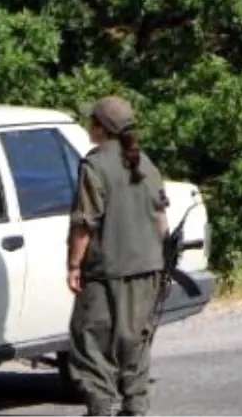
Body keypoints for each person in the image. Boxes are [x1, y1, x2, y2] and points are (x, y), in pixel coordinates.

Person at [65, 95, 169, 417]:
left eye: (91, 122)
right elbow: (162, 222)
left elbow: (85, 223)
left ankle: (102, 410)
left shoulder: (95, 165)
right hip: (148, 268)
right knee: (135, 343)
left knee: (93, 345)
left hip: (107, 271)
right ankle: (135, 408)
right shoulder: (145, 163)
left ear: (99, 127)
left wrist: (73, 265)